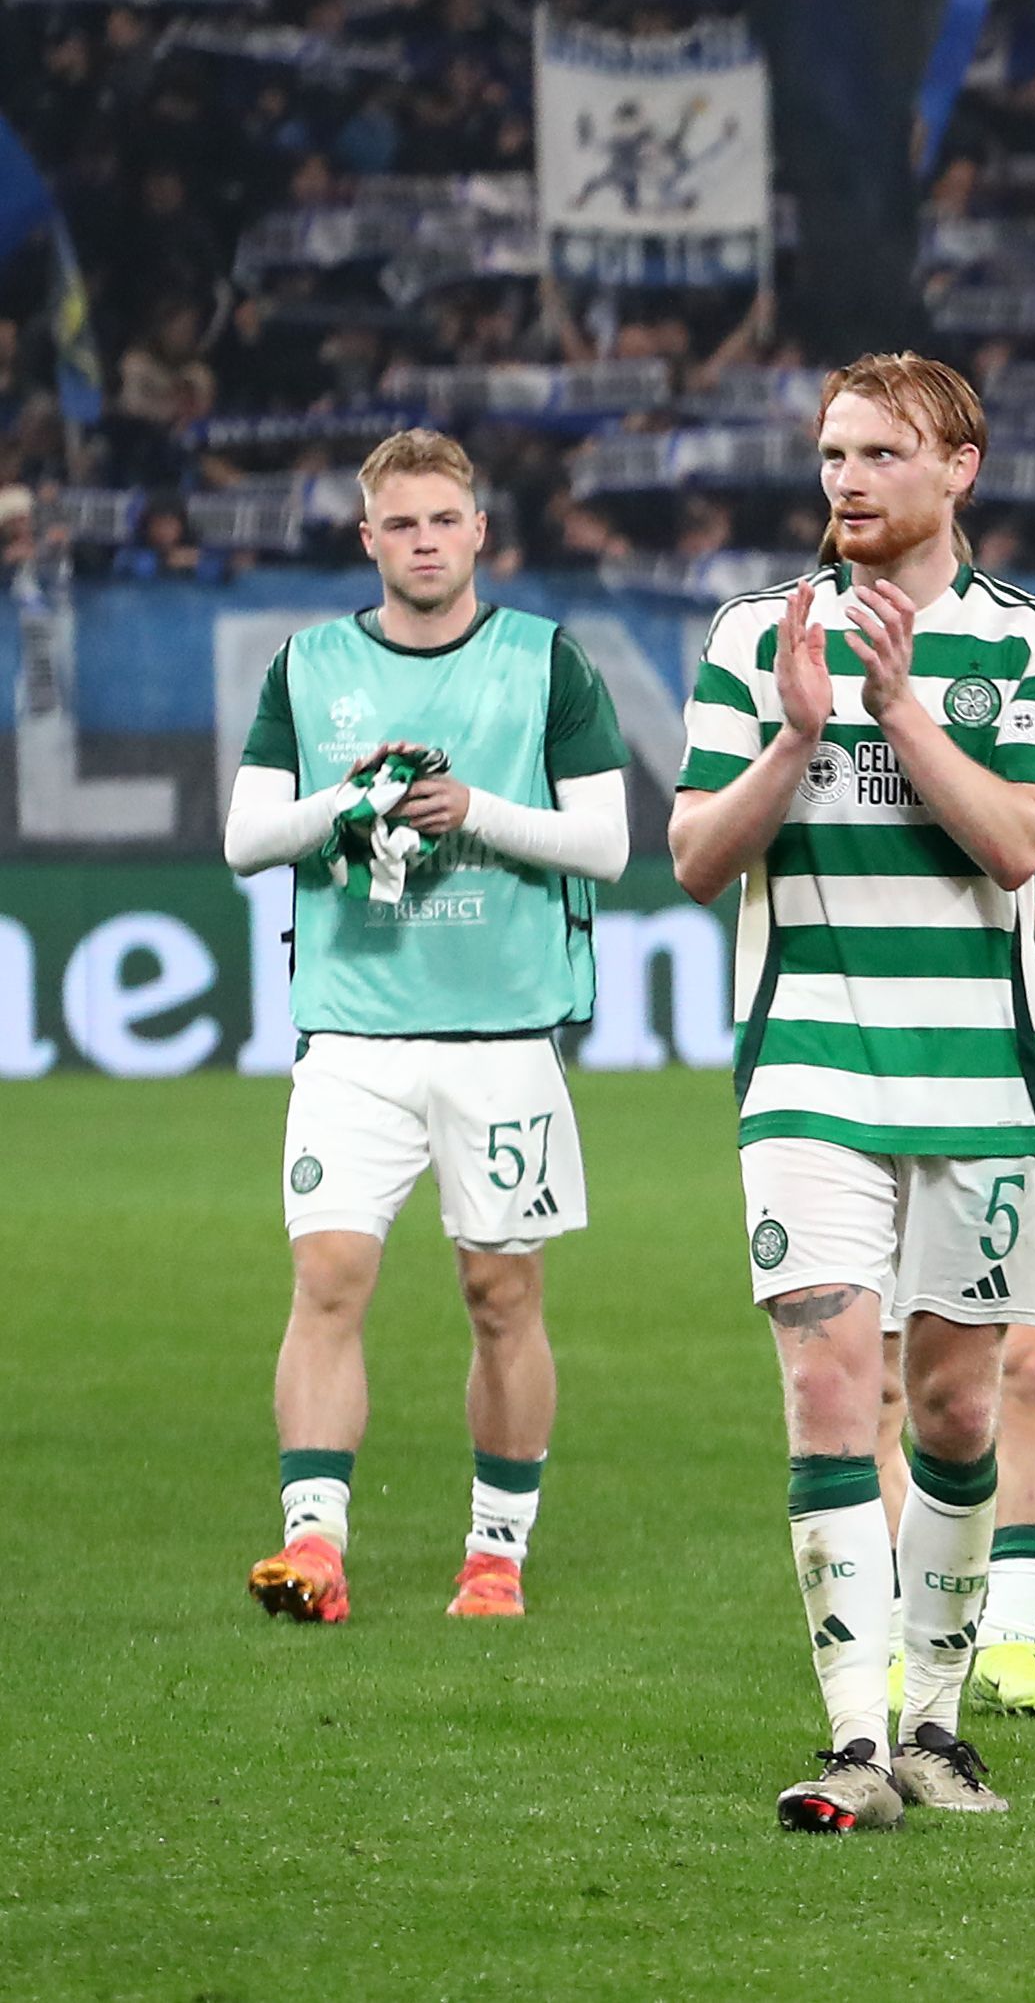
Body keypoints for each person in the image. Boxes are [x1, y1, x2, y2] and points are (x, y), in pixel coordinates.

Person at [670, 355, 1035, 1831]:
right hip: (810, 1073)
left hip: (980, 1080)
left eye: (881, 453)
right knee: (828, 1390)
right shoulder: (753, 634)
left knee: (960, 1411)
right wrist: (796, 735)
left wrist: (901, 712)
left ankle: (935, 1724)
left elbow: (1021, 845)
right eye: (834, 453)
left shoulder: (1030, 639)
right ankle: (856, 1736)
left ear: (960, 466)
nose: (847, 479)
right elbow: (696, 858)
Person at [225, 428, 630, 1626]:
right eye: (400, 524)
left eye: (444, 520)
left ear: (479, 532)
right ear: (368, 539)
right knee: (327, 1278)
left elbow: (608, 845)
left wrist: (475, 809)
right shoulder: (306, 666)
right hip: (352, 1036)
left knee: (501, 1296)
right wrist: (348, 800)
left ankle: (495, 1556)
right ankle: (315, 1545)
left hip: (502, 1036)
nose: (424, 542)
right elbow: (246, 839)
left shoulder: (546, 660)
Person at [878, 795, 1035, 1722]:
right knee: (881, 1390)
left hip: (1008, 1087)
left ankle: (1008, 1635)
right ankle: (905, 1636)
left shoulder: (1031, 728)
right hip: (859, 1086)